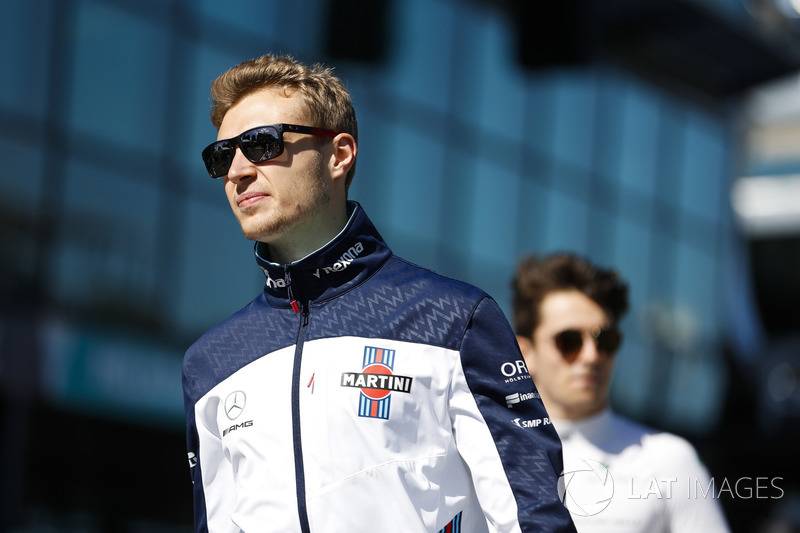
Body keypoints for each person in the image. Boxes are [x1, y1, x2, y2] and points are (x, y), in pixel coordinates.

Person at [182, 53, 576, 533]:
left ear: (340, 154)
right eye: (221, 156)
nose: (238, 172)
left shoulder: (453, 319)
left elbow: (532, 517)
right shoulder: (210, 361)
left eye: (261, 144)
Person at [511, 253, 730, 533]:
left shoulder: (669, 460)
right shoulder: (484, 456)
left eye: (605, 340)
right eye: (569, 341)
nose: (591, 356)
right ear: (524, 353)